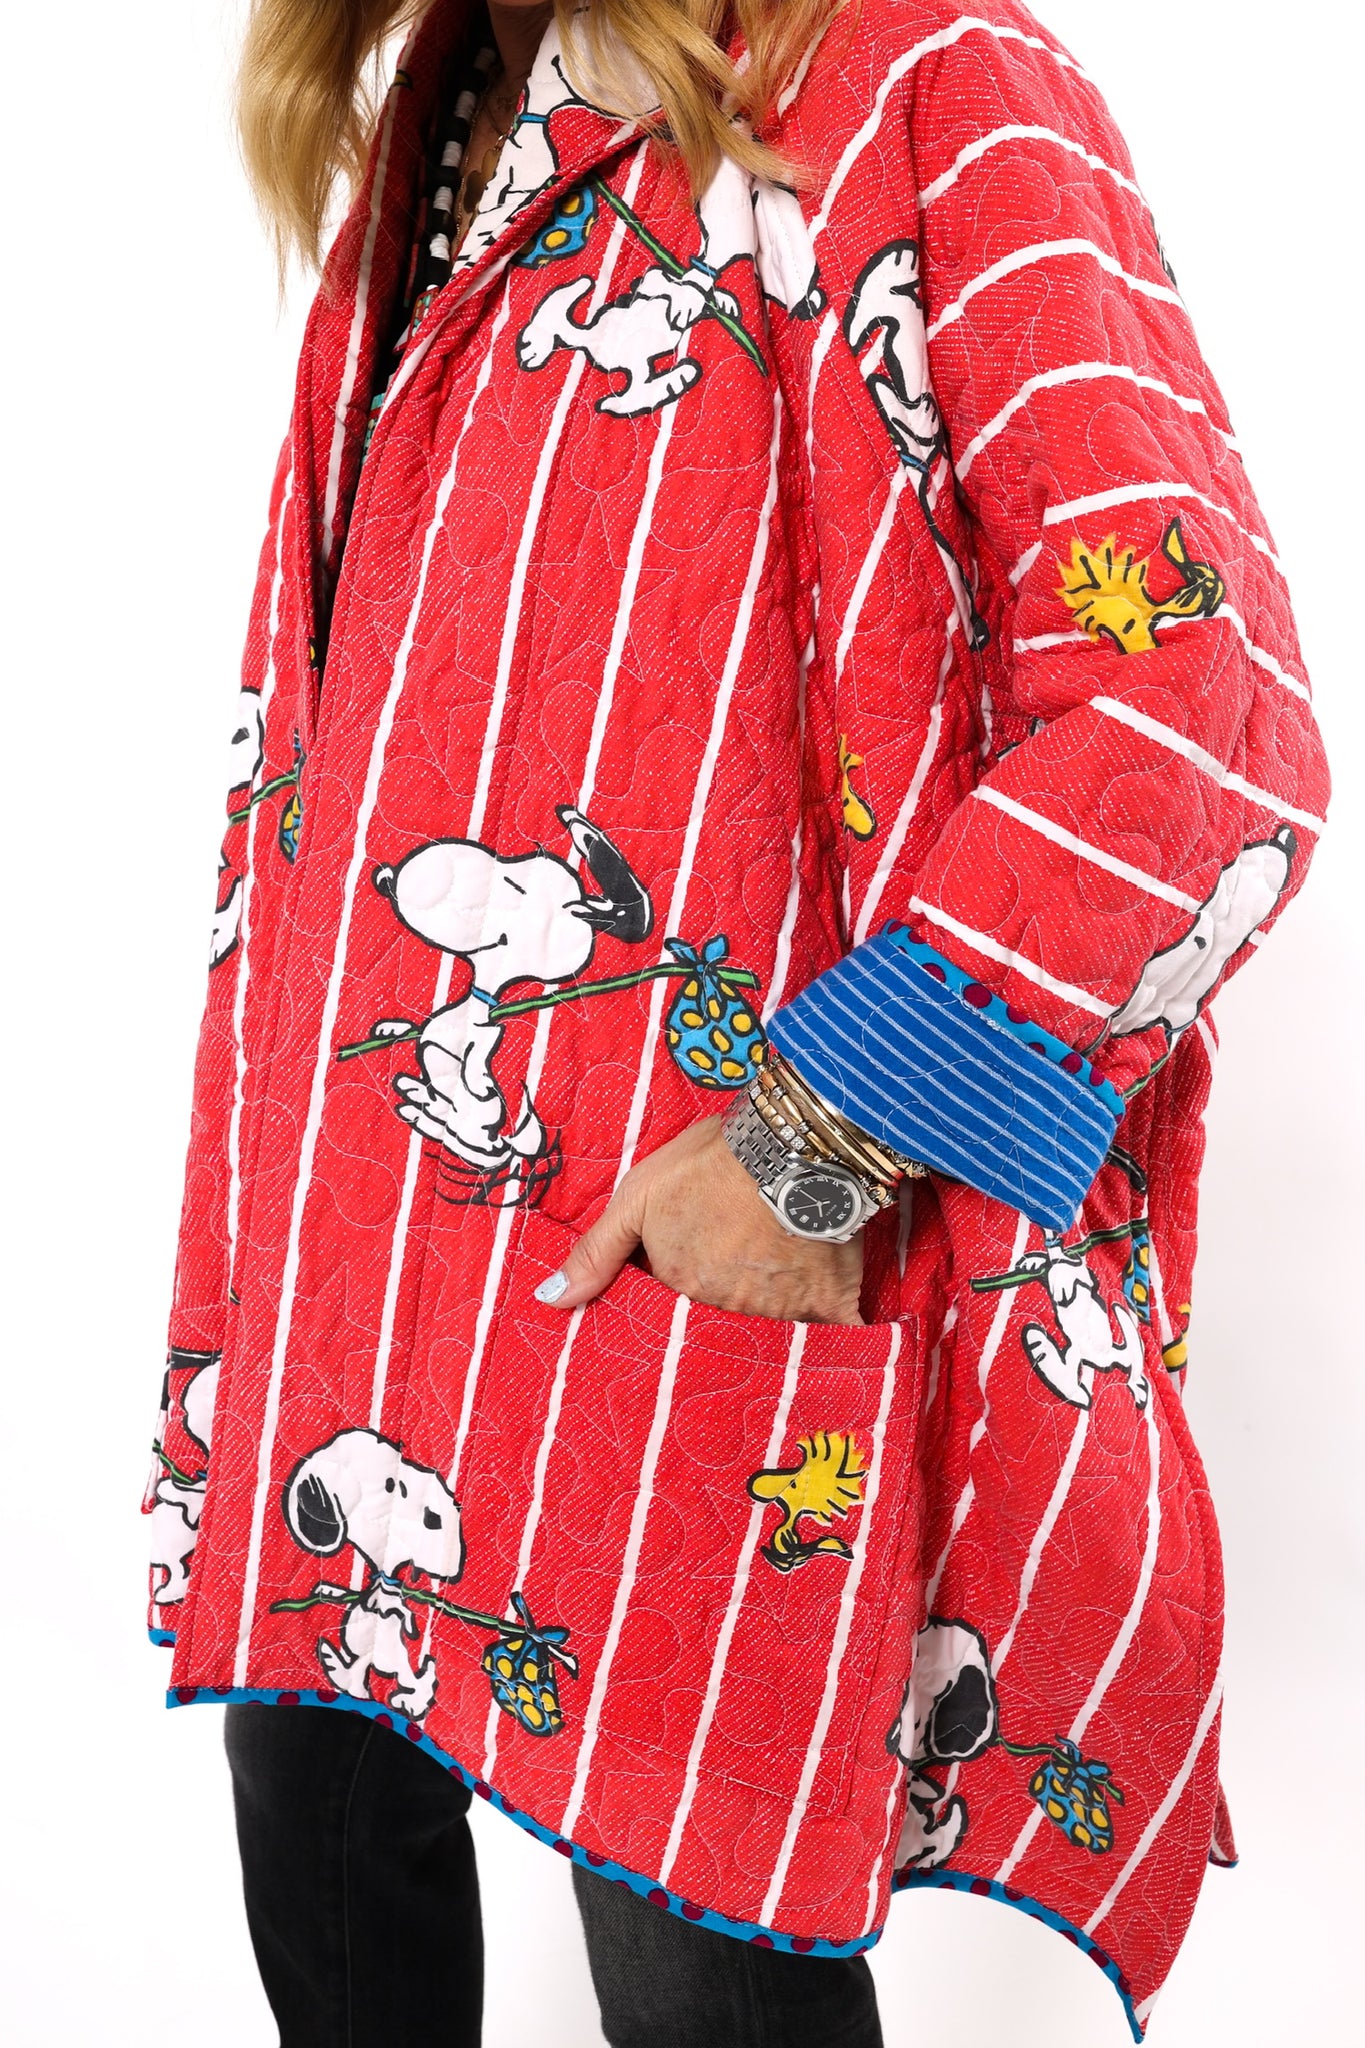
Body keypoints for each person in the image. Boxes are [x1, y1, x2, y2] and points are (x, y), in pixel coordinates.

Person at [144, 1, 1328, 2042]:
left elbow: (1196, 716)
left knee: (693, 1959)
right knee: (315, 1848)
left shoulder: (925, 75)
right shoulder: (436, 106)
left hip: (676, 1266)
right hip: (345, 1262)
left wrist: (813, 1141)